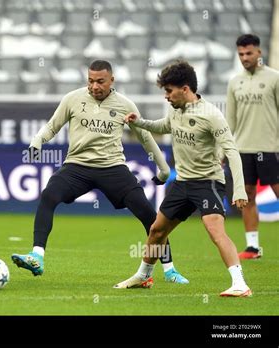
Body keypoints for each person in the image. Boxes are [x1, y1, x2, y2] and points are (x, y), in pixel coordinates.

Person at [11, 60, 189, 284]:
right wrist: (38, 141)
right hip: (77, 165)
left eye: (100, 81)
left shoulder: (125, 104)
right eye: (91, 80)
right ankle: (37, 255)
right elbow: (52, 126)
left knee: (148, 214)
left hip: (112, 167)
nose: (94, 86)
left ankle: (170, 269)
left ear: (111, 81)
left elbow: (145, 137)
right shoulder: (73, 99)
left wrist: (163, 170)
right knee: (48, 195)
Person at [115, 60, 252, 297]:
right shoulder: (174, 110)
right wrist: (139, 122)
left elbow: (231, 151)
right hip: (182, 184)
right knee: (157, 231)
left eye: (169, 91)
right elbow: (163, 126)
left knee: (214, 229)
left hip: (207, 182)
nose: (166, 96)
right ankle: (144, 275)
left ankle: (240, 283)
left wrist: (238, 189)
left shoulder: (211, 115)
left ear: (185, 88)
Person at [226, 34, 279, 260]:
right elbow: (230, 120)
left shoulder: (274, 78)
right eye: (241, 54)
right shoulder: (234, 82)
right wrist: (224, 150)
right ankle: (253, 247)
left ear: (259, 53)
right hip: (243, 149)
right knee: (247, 196)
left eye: (249, 53)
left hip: (269, 148)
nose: (245, 58)